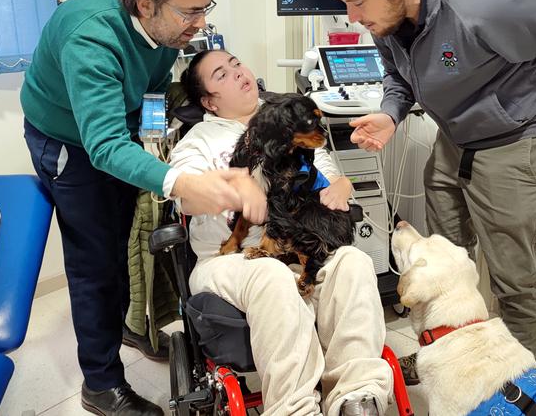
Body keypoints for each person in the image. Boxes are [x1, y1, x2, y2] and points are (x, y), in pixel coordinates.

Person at [324, 0, 536, 381]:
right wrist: (391, 114)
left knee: (514, 280)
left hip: (518, 139)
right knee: (447, 262)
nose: (353, 16)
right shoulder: (389, 15)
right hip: (457, 137)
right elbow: (396, 73)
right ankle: (451, 361)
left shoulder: (485, 4)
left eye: (356, 1)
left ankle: (517, 386)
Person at [20, 0, 256, 416]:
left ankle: (128, 326)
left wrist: (159, 138)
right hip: (67, 141)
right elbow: (103, 145)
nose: (201, 22)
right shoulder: (91, 39)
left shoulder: (166, 30)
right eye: (190, 12)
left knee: (125, 232)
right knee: (95, 261)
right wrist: (179, 181)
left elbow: (149, 90)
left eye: (204, 7)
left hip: (114, 131)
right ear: (146, 4)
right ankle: (100, 384)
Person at [168, 49, 393, 416]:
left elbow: (328, 173)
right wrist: (238, 188)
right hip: (229, 262)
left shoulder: (289, 121)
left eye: (236, 63)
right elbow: (183, 190)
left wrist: (342, 185)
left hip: (295, 246)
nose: (237, 73)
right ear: (209, 101)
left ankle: (356, 396)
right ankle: (293, 409)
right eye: (221, 74)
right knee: (271, 274)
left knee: (353, 261)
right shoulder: (201, 139)